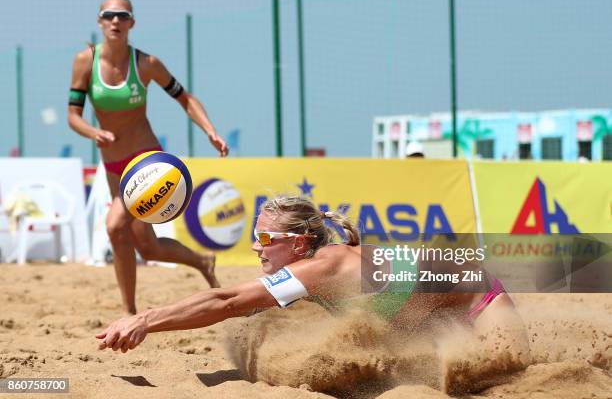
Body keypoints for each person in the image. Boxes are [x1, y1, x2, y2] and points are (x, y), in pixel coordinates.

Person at [96, 195, 530, 363]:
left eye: (266, 237)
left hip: (480, 297)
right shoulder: (314, 269)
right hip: (431, 312)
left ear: (301, 244)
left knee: (511, 375)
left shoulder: (324, 266)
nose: (255, 247)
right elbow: (231, 305)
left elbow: (228, 301)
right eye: (255, 237)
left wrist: (146, 319)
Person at [68, 0, 227, 315]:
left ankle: (128, 313)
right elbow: (73, 115)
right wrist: (93, 132)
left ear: (132, 23)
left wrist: (209, 130)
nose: (116, 21)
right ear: (100, 21)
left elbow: (186, 98)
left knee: (115, 226)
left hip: (145, 162)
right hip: (113, 165)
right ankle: (201, 261)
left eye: (122, 15)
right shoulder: (85, 61)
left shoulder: (146, 64)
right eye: (109, 15)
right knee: (148, 246)